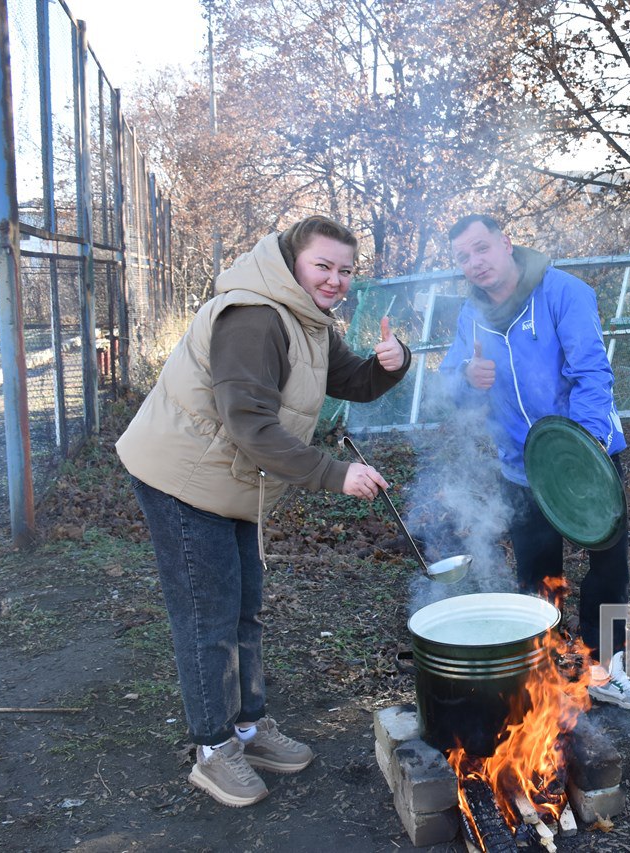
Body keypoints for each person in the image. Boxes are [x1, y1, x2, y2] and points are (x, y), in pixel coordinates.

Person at [117, 215, 412, 806]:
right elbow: (249, 424)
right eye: (323, 265)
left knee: (244, 610)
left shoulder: (307, 317)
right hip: (183, 479)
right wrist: (334, 473)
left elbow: (350, 380)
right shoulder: (253, 318)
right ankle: (213, 750)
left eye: (345, 270)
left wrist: (391, 362)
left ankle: (248, 729)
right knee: (209, 619)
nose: (335, 280)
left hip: (231, 481)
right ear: (292, 261)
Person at [439, 213, 630, 710]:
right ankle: (550, 676)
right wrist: (467, 377)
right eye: (463, 257)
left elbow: (591, 373)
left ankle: (604, 673)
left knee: (607, 570)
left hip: (587, 456)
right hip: (521, 466)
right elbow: (450, 388)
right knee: (536, 576)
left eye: (482, 248)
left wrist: (583, 449)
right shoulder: (470, 315)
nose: (475, 263)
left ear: (506, 243)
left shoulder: (564, 292)